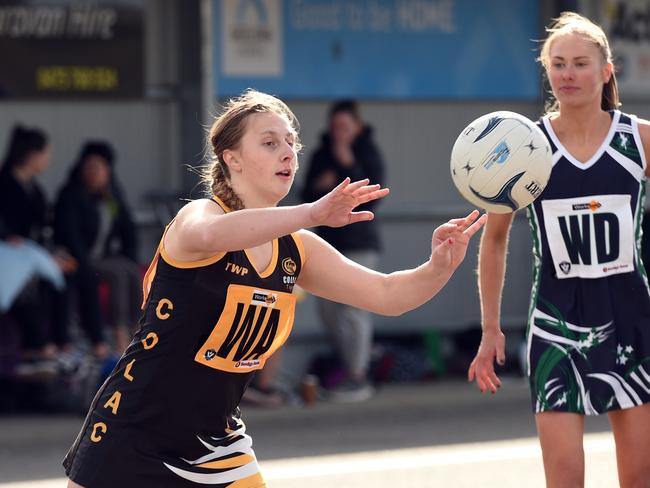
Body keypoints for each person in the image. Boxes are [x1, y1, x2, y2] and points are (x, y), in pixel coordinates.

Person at [63, 89, 486, 488]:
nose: (287, 152)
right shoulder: (200, 217)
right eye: (269, 142)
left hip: (216, 446)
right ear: (233, 158)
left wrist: (438, 267)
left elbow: (388, 296)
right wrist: (313, 212)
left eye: (291, 143)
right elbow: (213, 237)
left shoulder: (294, 246)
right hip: (133, 434)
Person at [468, 12, 650, 487]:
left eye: (580, 63)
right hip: (557, 325)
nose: (567, 74)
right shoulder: (525, 147)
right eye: (558, 63)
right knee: (564, 479)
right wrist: (490, 328)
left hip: (632, 320)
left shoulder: (639, 139)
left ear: (607, 70)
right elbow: (495, 238)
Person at [301, 100, 385, 402]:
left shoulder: (367, 151)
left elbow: (374, 195)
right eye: (335, 127)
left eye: (346, 127)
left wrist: (347, 163)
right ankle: (352, 361)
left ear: (357, 127)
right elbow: (306, 195)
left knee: (354, 308)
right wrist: (321, 184)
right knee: (327, 308)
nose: (339, 133)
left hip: (360, 242)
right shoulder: (321, 154)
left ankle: (358, 375)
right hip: (327, 242)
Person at [55, 141, 140, 355]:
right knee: (118, 274)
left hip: (104, 256)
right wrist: (83, 262)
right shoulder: (71, 196)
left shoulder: (112, 197)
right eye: (89, 168)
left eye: (99, 168)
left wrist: (129, 256)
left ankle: (139, 328)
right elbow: (70, 235)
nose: (94, 173)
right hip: (81, 257)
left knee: (130, 269)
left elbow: (128, 228)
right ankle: (120, 333)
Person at [0, 125, 75, 365]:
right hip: (9, 256)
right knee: (25, 284)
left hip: (30, 254)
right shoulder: (4, 183)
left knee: (65, 276)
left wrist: (54, 254)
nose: (47, 160)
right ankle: (37, 344)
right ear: (31, 154)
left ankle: (60, 341)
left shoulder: (36, 190)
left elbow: (42, 231)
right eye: (45, 153)